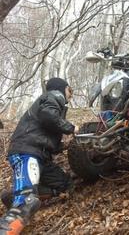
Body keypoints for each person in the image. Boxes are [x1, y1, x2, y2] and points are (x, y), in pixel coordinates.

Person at [0, 78, 75, 235]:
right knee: (27, 201)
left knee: (65, 184)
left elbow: (46, 136)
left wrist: (63, 146)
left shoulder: (54, 104)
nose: (71, 95)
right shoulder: (52, 97)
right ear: (61, 89)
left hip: (41, 156)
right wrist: (71, 128)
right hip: (27, 152)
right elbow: (48, 117)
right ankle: (17, 207)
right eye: (70, 90)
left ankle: (15, 195)